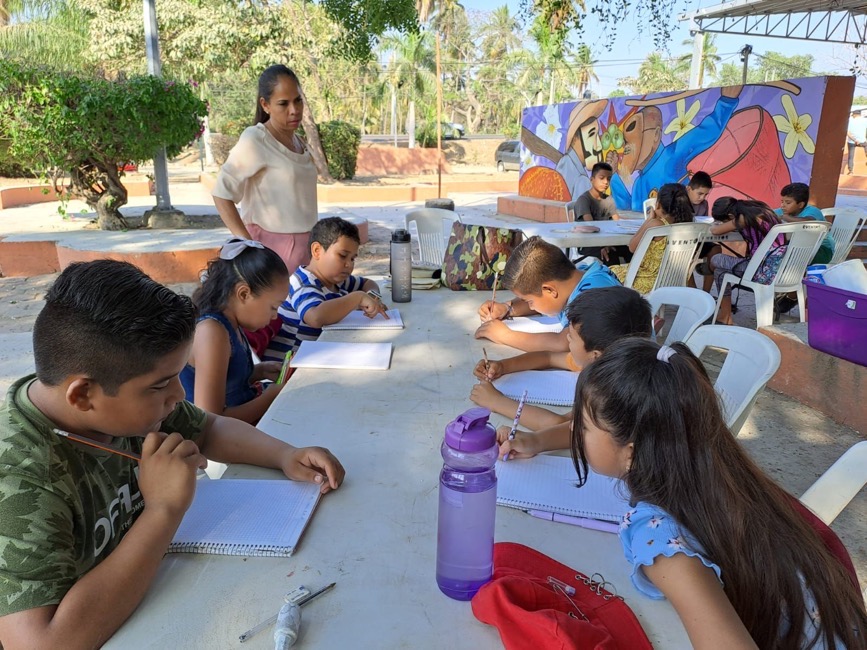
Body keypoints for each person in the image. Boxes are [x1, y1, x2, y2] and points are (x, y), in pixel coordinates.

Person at [0, 260, 345, 648]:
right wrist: (163, 510)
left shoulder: (129, 407)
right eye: (162, 385)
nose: (178, 396)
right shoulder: (21, 479)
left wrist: (284, 454)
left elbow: (209, 427)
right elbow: (39, 643)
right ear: (82, 395)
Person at [568, 338, 867, 649]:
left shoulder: (655, 534)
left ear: (631, 451)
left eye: (585, 427)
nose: (575, 429)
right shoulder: (722, 473)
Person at [211, 65, 318, 356]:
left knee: (298, 337)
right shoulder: (255, 139)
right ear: (265, 104)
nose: (293, 110)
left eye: (298, 100)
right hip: (270, 253)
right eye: (283, 104)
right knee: (266, 337)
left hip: (305, 253)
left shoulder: (298, 141)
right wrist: (249, 246)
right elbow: (222, 195)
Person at [471, 287, 651, 435]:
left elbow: (562, 426)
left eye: (571, 338)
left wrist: (497, 402)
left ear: (595, 355)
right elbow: (547, 357)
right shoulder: (615, 361)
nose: (567, 343)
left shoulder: (620, 390)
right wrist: (503, 366)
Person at [180, 238, 290, 424]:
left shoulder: (232, 325)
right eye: (273, 307)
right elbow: (209, 419)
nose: (274, 316)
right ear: (244, 294)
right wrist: (270, 398)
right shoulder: (212, 333)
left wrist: (259, 371)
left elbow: (228, 380)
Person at [264, 217, 386, 361]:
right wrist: (357, 298)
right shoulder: (302, 284)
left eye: (353, 258)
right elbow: (315, 317)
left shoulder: (336, 280)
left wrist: (371, 297)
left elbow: (367, 283)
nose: (349, 265)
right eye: (342, 256)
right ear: (317, 251)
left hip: (322, 354)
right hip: (289, 370)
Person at [476, 236, 621, 353]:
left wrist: (505, 336)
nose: (530, 307)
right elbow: (542, 298)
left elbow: (562, 343)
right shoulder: (575, 277)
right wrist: (507, 308)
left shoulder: (592, 296)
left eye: (529, 301)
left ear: (550, 290)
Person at [704, 197, 783, 325]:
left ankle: (725, 316)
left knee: (716, 260)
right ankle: (725, 316)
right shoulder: (762, 210)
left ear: (730, 216)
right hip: (778, 267)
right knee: (720, 271)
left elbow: (715, 231)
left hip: (762, 270)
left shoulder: (742, 218)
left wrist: (716, 224)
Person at [609, 183, 695, 295]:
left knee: (606, 273)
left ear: (658, 204)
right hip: (675, 281)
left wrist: (649, 220)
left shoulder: (655, 224)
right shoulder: (689, 226)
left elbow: (632, 247)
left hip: (649, 281)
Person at [774, 182, 835, 265]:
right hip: (798, 247)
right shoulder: (782, 211)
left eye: (788, 203)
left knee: (783, 254)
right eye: (782, 201)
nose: (782, 205)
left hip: (821, 251)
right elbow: (767, 215)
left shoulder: (813, 211)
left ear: (800, 205)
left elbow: (808, 223)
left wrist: (785, 217)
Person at [845, 109, 865, 175]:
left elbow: (847, 132)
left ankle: (851, 171)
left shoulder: (849, 121)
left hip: (852, 141)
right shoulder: (864, 120)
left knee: (851, 156)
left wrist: (855, 140)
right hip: (862, 140)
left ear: (855, 114)